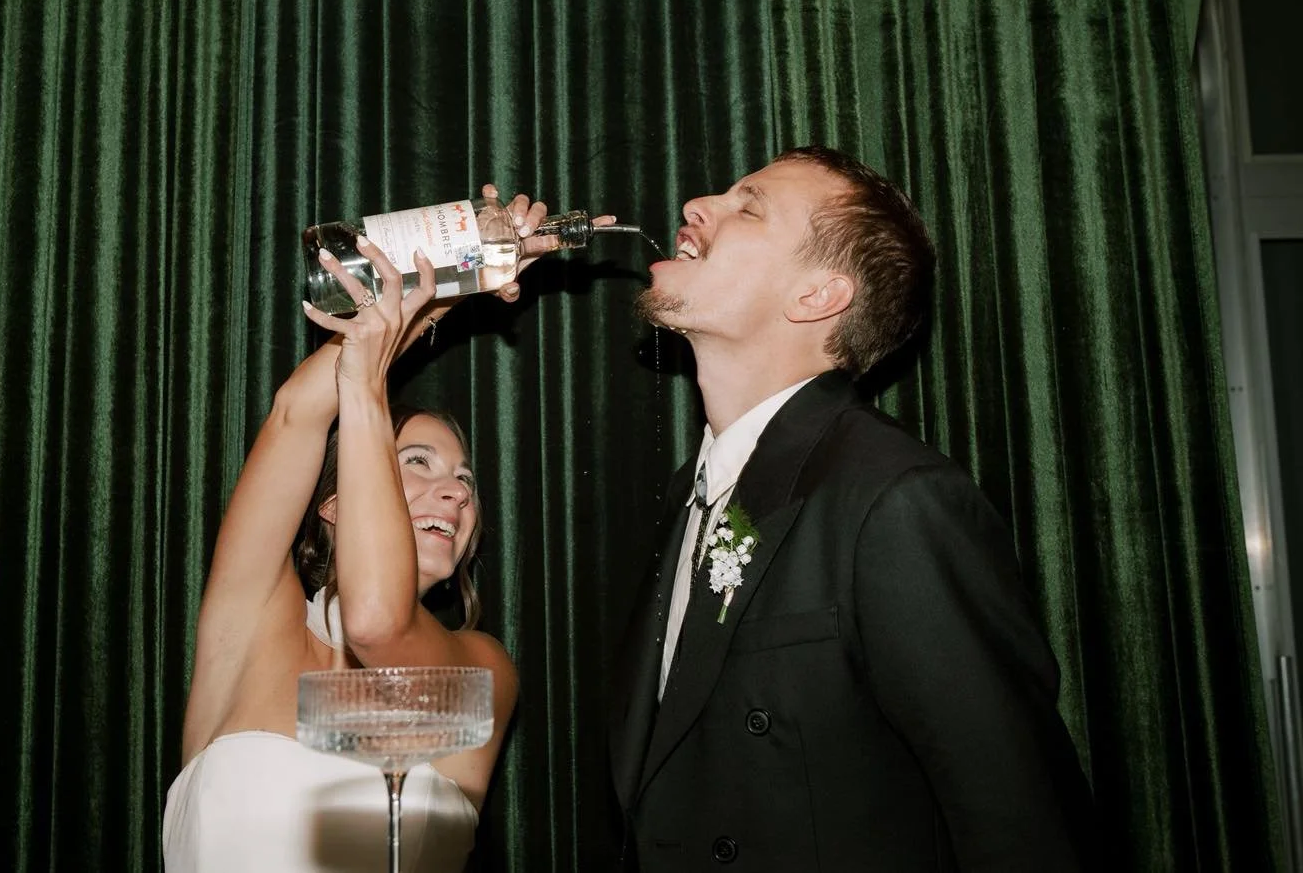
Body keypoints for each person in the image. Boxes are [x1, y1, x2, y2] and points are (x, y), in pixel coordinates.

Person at [609, 147, 1094, 871]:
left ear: (816, 297)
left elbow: (1022, 826)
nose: (696, 206)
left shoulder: (898, 500)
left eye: (749, 206)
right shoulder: (691, 494)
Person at [165, 188, 589, 872]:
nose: (455, 489)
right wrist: (461, 275)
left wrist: (367, 384)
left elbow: (378, 622)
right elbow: (295, 415)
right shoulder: (251, 621)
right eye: (417, 462)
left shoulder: (483, 666)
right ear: (331, 503)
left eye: (466, 481)